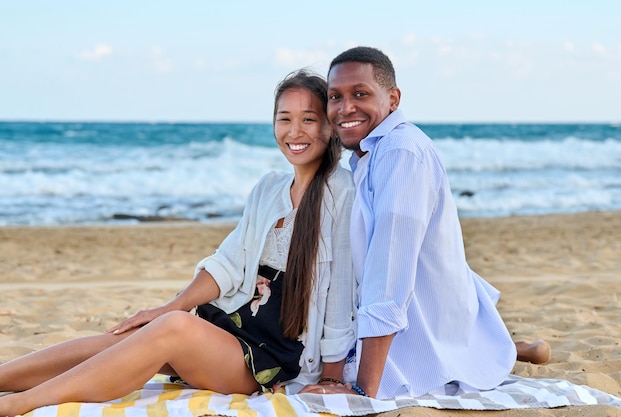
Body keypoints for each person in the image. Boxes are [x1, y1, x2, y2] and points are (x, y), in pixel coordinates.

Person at [0, 70, 357, 416]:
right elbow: (228, 263)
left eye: (308, 119)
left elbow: (340, 296)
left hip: (278, 361)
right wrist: (168, 307)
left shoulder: (341, 192)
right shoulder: (269, 187)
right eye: (284, 119)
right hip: (234, 331)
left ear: (329, 125)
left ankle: (17, 405)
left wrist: (330, 376)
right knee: (137, 334)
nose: (294, 132)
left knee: (175, 328)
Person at [301, 46, 549, 400]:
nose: (345, 108)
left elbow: (389, 274)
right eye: (335, 96)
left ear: (393, 99)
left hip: (429, 312)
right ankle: (506, 347)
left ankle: (499, 349)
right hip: (436, 300)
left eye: (361, 94)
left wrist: (363, 389)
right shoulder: (368, 155)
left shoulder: (401, 153)